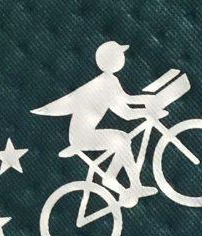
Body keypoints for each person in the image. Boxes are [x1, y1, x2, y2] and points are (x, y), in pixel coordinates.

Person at [32, 41, 160, 207]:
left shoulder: (108, 80)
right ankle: (123, 182)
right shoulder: (105, 83)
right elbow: (126, 113)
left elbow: (127, 101)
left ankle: (124, 183)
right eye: (120, 55)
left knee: (122, 139)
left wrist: (147, 102)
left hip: (83, 134)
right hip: (82, 136)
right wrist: (147, 111)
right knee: (121, 139)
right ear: (114, 59)